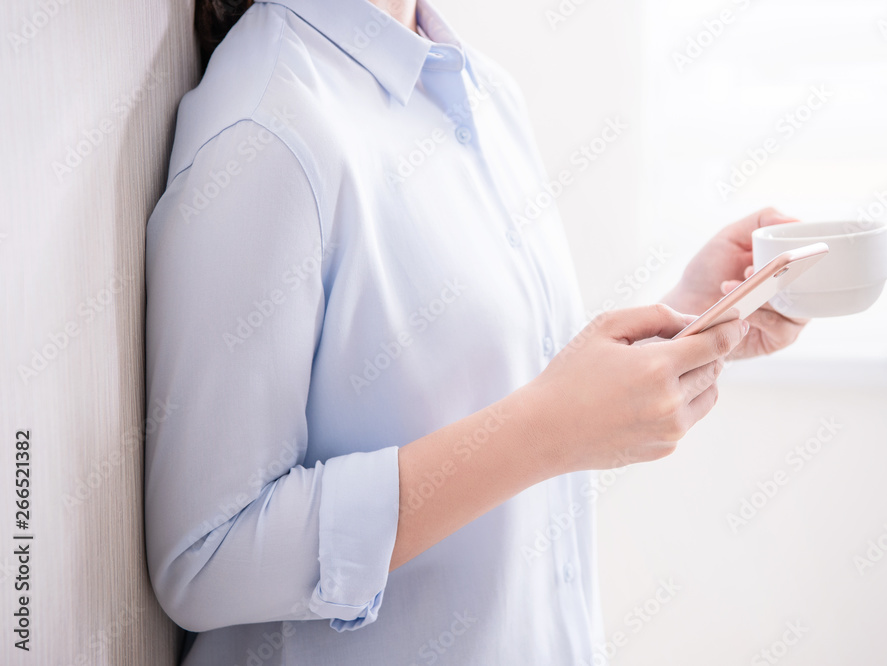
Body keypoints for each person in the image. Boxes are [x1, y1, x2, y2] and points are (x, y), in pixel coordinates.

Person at [143, 0, 806, 663]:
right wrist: (552, 429)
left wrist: (687, 325)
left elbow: (497, 394)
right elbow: (206, 561)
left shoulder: (480, 89)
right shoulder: (267, 129)